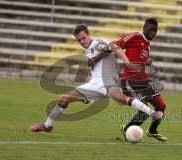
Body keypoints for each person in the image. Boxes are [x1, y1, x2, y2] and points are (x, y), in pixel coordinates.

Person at [29, 24, 163, 133]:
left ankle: (153, 114)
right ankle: (48, 126)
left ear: (88, 35)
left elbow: (113, 47)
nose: (82, 42)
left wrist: (123, 61)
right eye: (79, 40)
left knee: (122, 99)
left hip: (109, 81)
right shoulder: (88, 50)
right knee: (64, 98)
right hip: (94, 84)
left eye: (83, 38)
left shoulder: (98, 43)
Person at [113, 18, 167, 142]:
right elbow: (116, 45)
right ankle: (127, 130)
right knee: (145, 111)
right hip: (130, 81)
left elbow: (138, 57)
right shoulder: (135, 36)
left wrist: (146, 61)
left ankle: (152, 131)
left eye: (155, 31)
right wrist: (126, 62)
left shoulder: (147, 43)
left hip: (144, 80)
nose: (153, 33)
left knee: (161, 106)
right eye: (151, 30)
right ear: (144, 28)